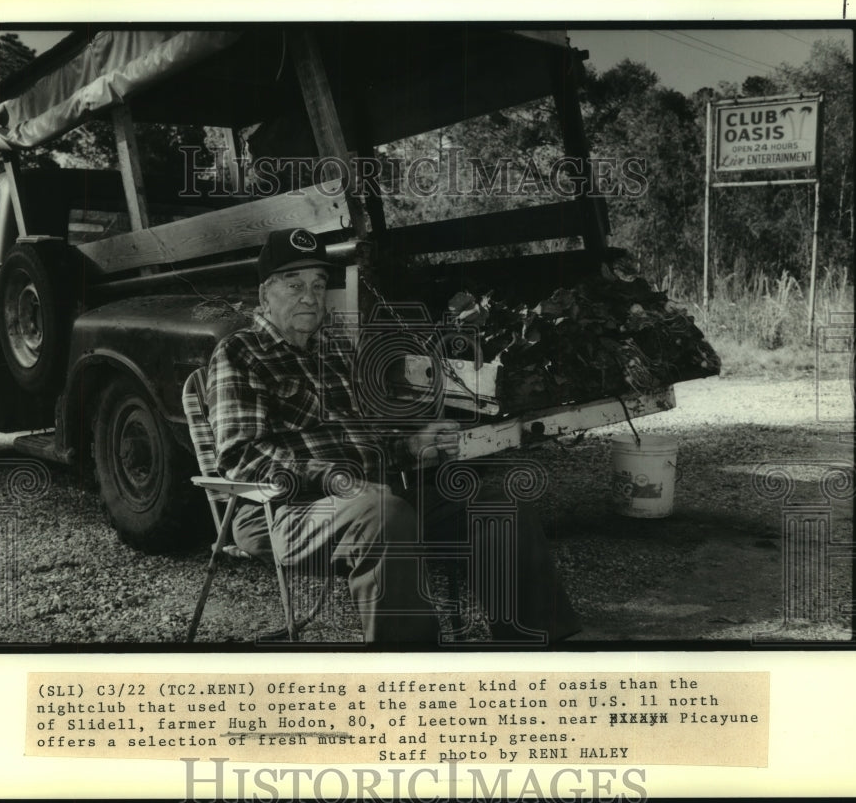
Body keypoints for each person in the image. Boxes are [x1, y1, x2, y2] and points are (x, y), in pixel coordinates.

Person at [206, 228, 580, 645]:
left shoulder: (337, 349)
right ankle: (407, 673)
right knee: (384, 516)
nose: (310, 297)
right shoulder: (240, 353)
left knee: (498, 508)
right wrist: (329, 477)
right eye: (294, 285)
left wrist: (412, 444)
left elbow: (371, 439)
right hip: (284, 509)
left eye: (317, 284)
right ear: (264, 295)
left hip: (372, 495)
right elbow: (242, 457)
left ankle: (537, 650)